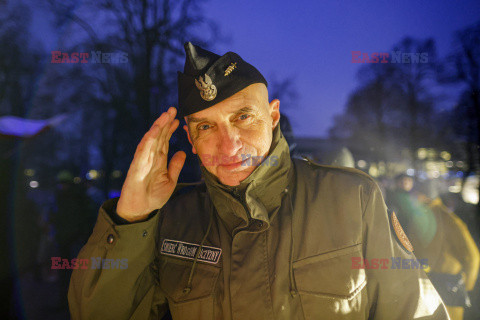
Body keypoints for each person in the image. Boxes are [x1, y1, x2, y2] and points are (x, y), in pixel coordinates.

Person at [68, 43, 449, 319]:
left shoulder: (352, 199)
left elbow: (417, 311)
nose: (228, 144)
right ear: (191, 138)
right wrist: (130, 220)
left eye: (242, 117)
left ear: (273, 116)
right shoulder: (171, 220)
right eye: (206, 126)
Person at [386, 174, 480, 320]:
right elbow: (472, 257)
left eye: (417, 193)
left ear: (423, 195)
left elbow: (473, 257)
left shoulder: (423, 219)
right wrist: (467, 286)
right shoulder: (447, 219)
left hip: (433, 285)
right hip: (446, 288)